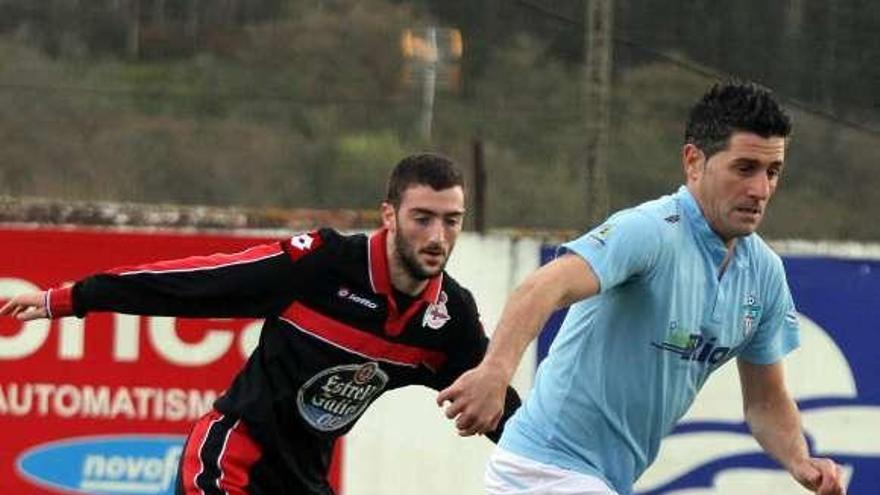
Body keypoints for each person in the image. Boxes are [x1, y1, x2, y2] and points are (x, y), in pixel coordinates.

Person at [1, 153, 520, 494]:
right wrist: (69, 298)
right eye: (422, 218)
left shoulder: (447, 319)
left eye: (451, 221)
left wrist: (581, 469)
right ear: (389, 215)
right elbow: (196, 282)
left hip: (306, 482)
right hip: (230, 462)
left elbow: (513, 422)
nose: (437, 236)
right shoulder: (322, 264)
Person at [437, 82, 846, 495]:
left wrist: (799, 460)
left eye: (772, 172)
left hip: (601, 481)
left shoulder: (764, 273)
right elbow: (544, 286)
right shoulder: (651, 231)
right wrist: (494, 373)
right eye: (744, 169)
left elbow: (765, 400)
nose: (760, 189)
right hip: (542, 470)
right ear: (694, 162)